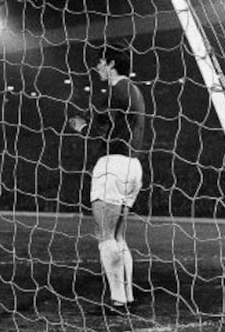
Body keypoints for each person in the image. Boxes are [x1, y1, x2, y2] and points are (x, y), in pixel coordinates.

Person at [69, 43, 145, 315]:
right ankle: (127, 297)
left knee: (105, 235)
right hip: (133, 165)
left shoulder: (117, 90)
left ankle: (117, 301)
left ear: (112, 63)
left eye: (100, 61)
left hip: (113, 164)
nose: (96, 66)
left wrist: (81, 127)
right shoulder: (135, 91)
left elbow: (101, 130)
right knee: (119, 237)